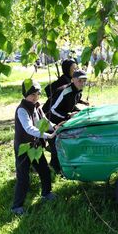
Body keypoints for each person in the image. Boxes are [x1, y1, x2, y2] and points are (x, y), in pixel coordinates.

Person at [12, 81, 61, 215]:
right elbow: (28, 128)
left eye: (37, 94)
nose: (35, 97)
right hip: (24, 148)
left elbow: (43, 121)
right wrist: (48, 135)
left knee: (44, 170)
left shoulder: (36, 106)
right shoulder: (22, 109)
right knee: (23, 177)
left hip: (35, 147)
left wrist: (55, 127)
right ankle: (16, 207)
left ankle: (46, 193)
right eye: (32, 94)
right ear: (25, 94)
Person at [47, 70, 88, 172]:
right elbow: (51, 110)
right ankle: (56, 169)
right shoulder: (65, 91)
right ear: (72, 80)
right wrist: (68, 116)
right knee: (56, 145)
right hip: (48, 120)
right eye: (79, 81)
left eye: (84, 81)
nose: (82, 83)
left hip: (61, 119)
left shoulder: (78, 91)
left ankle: (60, 166)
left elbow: (70, 104)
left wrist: (81, 108)